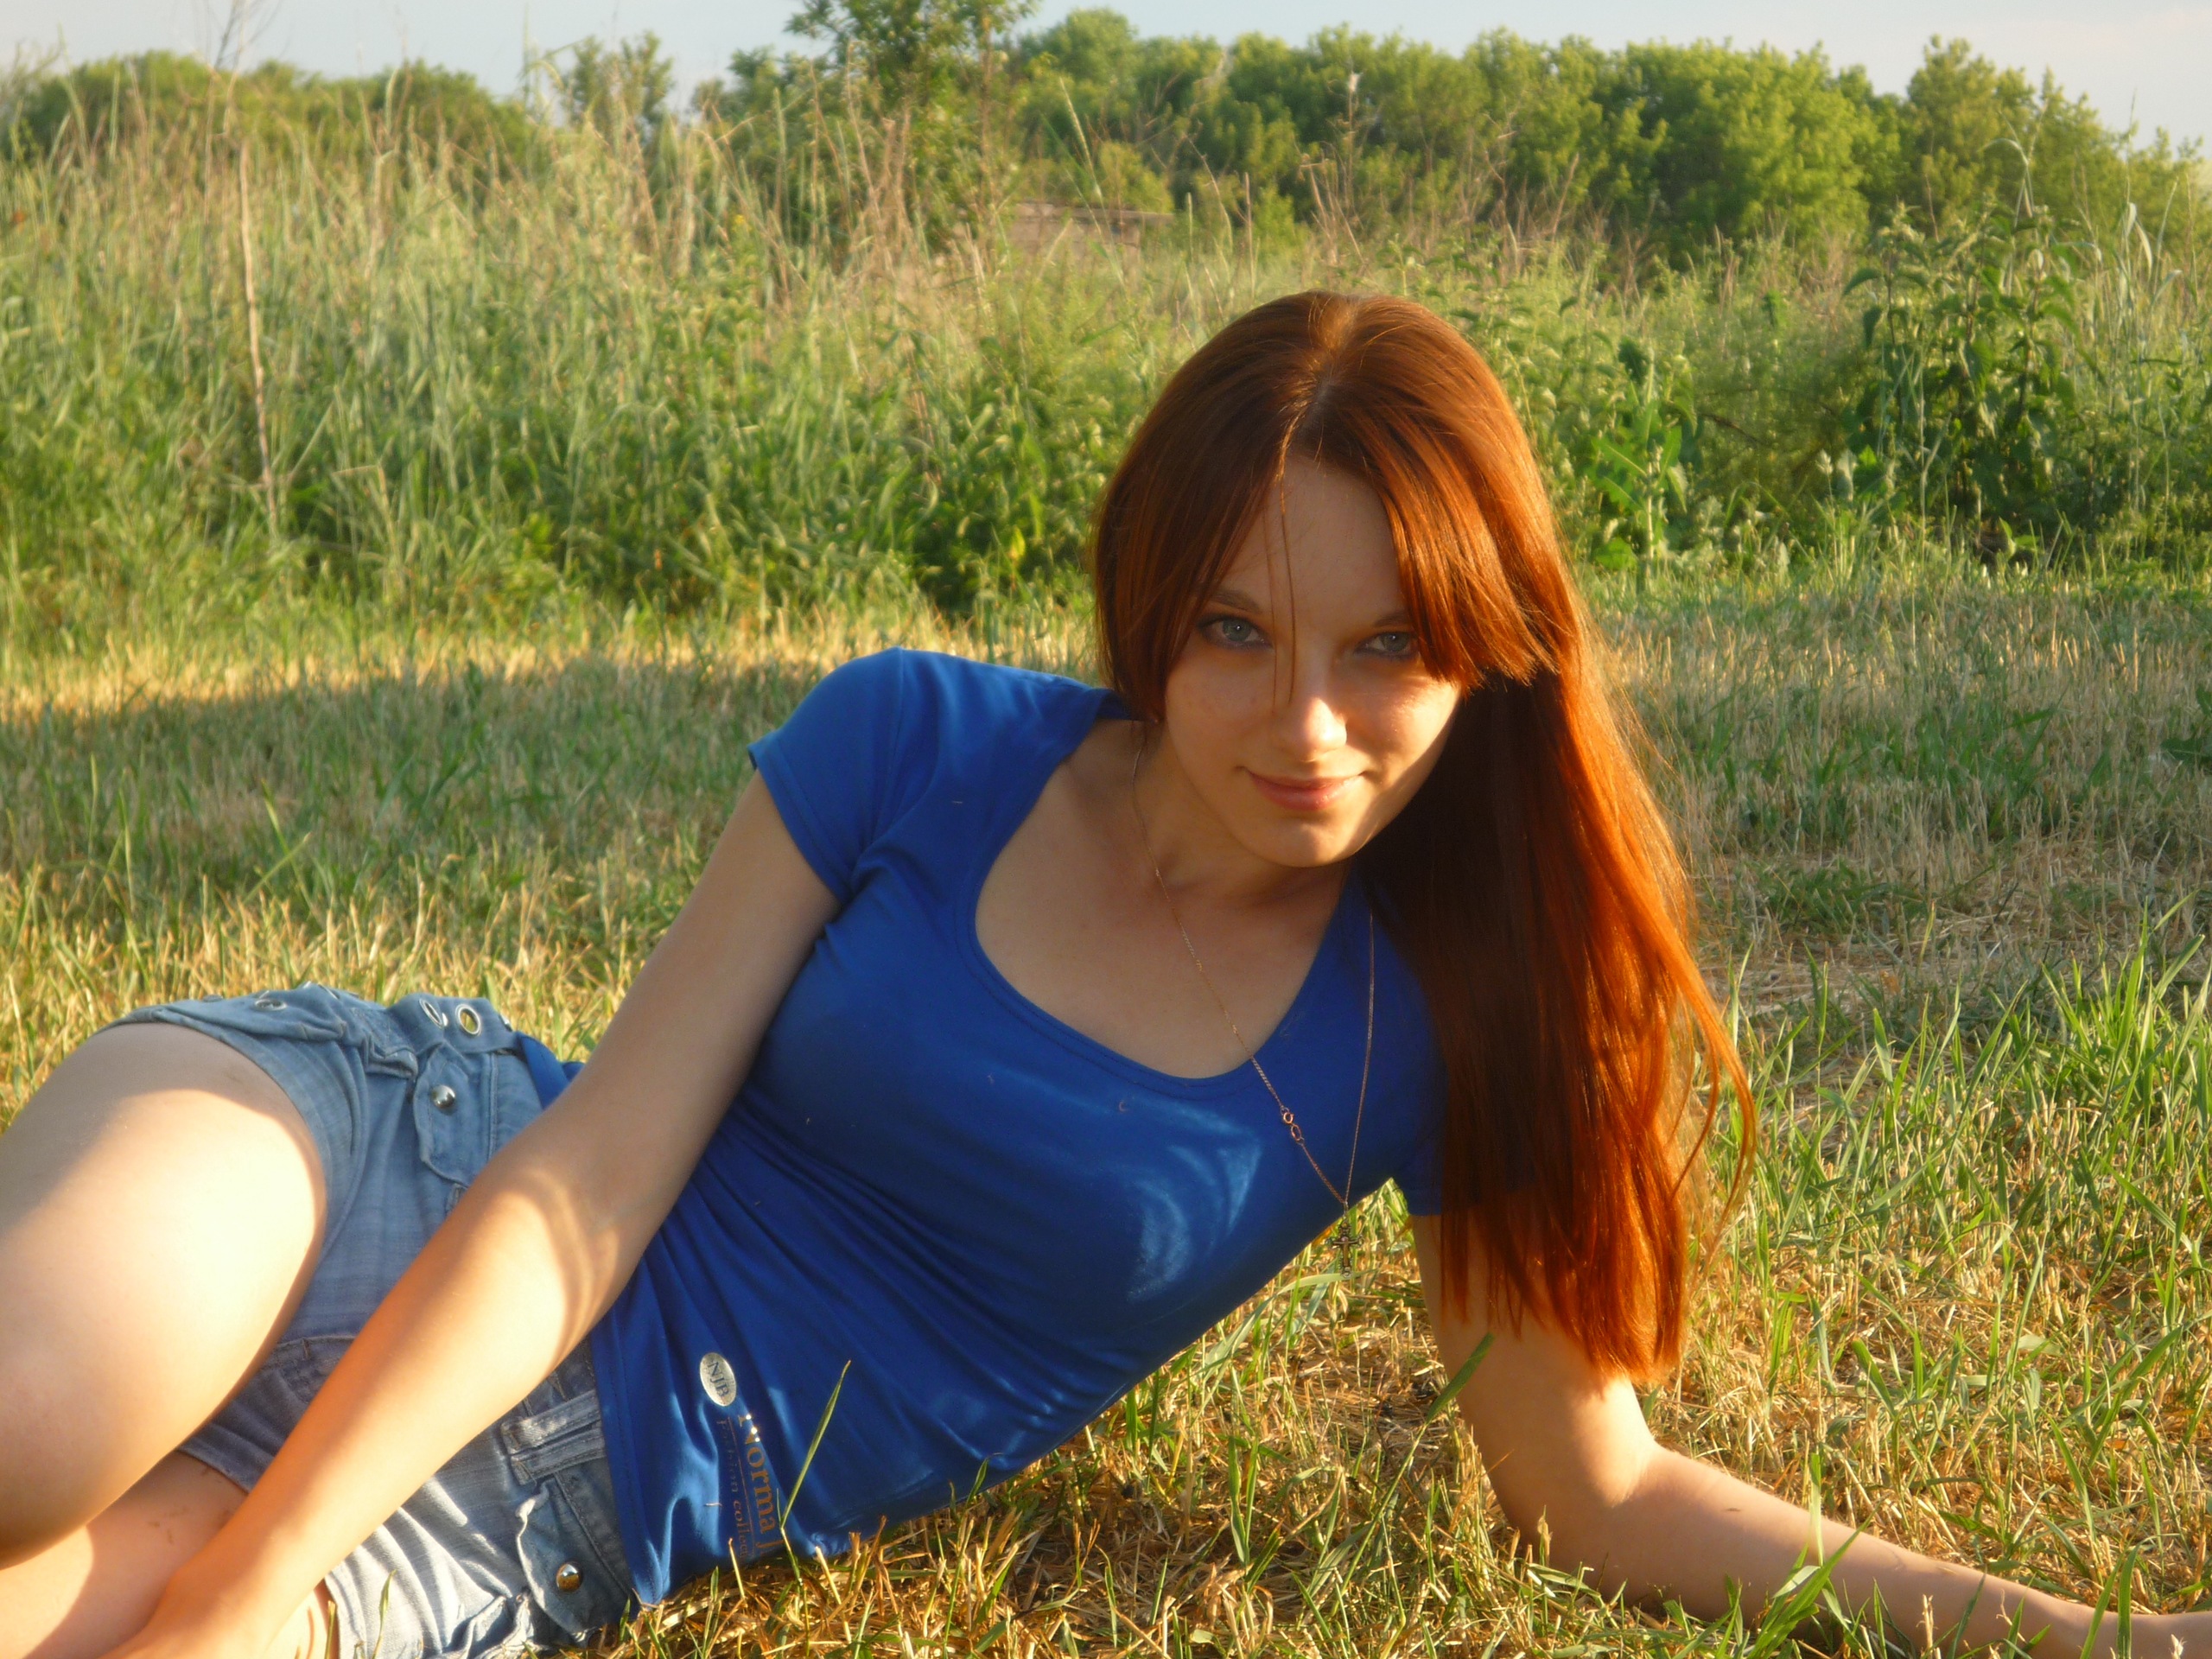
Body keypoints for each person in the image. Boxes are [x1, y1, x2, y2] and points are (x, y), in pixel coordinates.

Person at [0, 291, 2200, 1659]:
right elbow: (589, 1183)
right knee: (31, 1418)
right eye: (1236, 632)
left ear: (1486, 652)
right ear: (1149, 604)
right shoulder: (912, 741)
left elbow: (1595, 1492)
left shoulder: (1447, 1024)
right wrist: (249, 1573)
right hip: (393, 1163)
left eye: (1385, 649)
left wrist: (2085, 1636)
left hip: (568, 1488)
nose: (1305, 725)